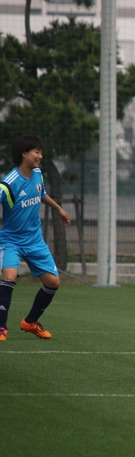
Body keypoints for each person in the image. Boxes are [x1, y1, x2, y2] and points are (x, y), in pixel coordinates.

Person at [0, 135, 71, 341]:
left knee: (53, 282)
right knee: (10, 277)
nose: (40, 156)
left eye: (41, 152)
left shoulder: (37, 174)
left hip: (35, 240)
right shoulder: (9, 183)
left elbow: (41, 194)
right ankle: (1, 327)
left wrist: (59, 209)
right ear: (24, 153)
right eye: (37, 152)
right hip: (11, 241)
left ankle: (30, 322)